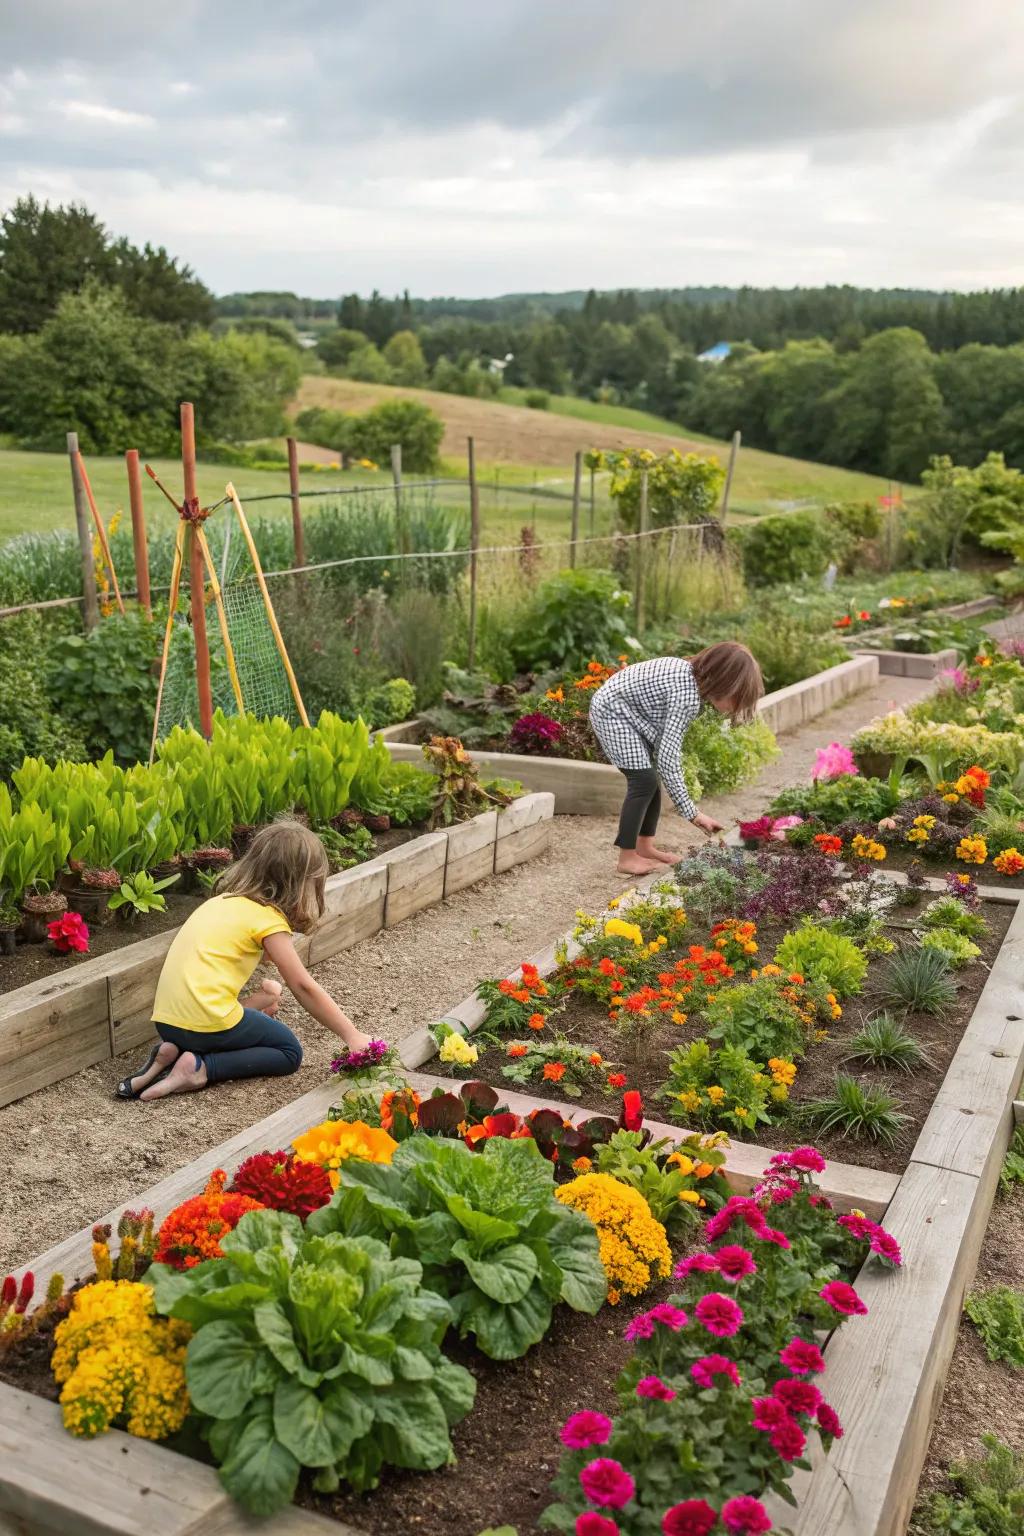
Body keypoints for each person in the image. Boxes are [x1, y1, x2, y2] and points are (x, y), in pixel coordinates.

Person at [117, 819, 371, 1102]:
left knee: (238, 1015)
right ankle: (199, 1069)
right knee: (288, 1052)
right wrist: (352, 1035)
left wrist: (264, 999)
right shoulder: (267, 920)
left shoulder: (221, 901)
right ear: (303, 882)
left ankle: (169, 1054)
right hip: (207, 1026)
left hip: (167, 1023)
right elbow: (302, 985)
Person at [589, 642, 764, 876]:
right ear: (722, 682)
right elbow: (668, 758)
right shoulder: (687, 697)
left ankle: (644, 846)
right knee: (643, 781)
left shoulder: (690, 676)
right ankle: (627, 858)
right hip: (612, 712)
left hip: (631, 715)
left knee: (650, 779)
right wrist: (693, 813)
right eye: (736, 699)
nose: (735, 708)